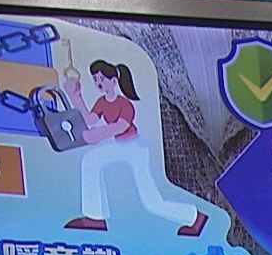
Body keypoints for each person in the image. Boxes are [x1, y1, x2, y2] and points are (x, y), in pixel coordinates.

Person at [63, 59, 208, 236]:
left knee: (151, 202)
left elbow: (120, 126)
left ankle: (194, 217)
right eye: (95, 79)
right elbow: (90, 120)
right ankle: (94, 217)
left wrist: (98, 135)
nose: (98, 83)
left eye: (101, 79)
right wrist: (76, 97)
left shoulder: (125, 104)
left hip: (135, 148)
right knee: (91, 161)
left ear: (113, 81)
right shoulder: (101, 102)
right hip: (120, 145)